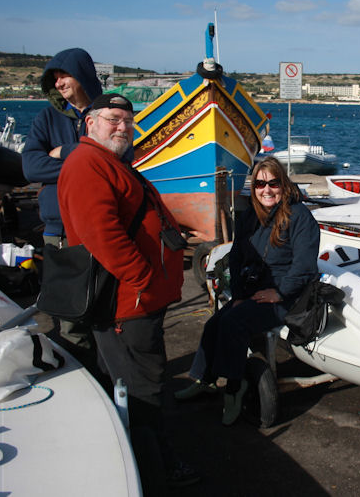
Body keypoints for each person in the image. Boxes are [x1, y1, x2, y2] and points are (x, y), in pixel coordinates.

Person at [57, 93, 199, 492]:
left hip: (137, 303)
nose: (122, 126)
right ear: (90, 123)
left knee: (130, 380)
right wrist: (144, 280)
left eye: (128, 120)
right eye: (113, 118)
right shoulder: (87, 164)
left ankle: (142, 458)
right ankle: (157, 470)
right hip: (127, 306)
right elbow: (102, 235)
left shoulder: (108, 162)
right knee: (144, 388)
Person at [175, 156, 320, 426]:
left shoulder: (300, 217)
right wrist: (239, 294)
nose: (267, 190)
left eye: (273, 183)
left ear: (283, 184)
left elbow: (304, 265)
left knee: (233, 323)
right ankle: (204, 379)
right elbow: (237, 257)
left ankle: (234, 388)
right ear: (253, 188)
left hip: (287, 294)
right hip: (255, 289)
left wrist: (279, 292)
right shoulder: (250, 218)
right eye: (260, 184)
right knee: (215, 323)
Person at [22, 48, 103, 350]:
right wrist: (90, 160)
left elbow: (121, 161)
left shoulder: (109, 114)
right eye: (54, 78)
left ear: (83, 75)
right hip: (59, 235)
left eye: (64, 75)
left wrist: (67, 152)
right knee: (70, 319)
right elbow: (31, 166)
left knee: (106, 311)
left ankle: (111, 383)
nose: (58, 83)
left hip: (101, 230)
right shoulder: (46, 118)